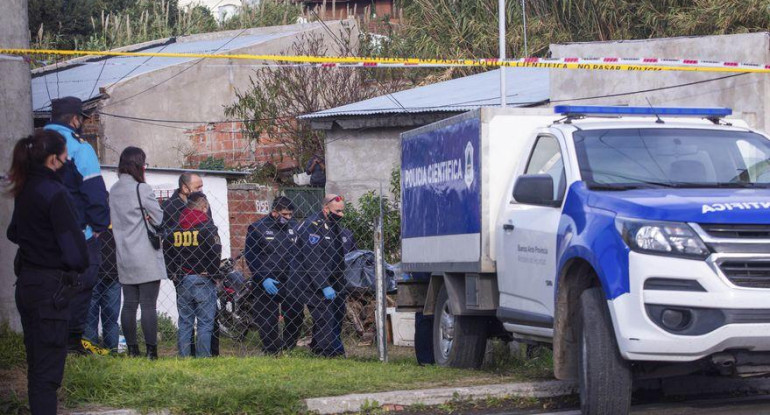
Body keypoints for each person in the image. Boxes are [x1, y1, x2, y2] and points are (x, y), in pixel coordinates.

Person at [6, 130, 89, 415]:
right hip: (50, 290)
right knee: (47, 373)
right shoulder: (55, 194)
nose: (69, 164)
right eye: (67, 158)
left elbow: (13, 232)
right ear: (53, 160)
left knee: (37, 366)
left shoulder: (25, 188)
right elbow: (75, 252)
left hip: (27, 285)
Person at [44, 96, 110, 355]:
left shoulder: (31, 145)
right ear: (74, 119)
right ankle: (71, 343)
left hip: (40, 233)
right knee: (82, 281)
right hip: (77, 233)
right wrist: (99, 225)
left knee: (47, 285)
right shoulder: (79, 146)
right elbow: (94, 190)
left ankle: (47, 340)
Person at [109, 147, 166, 359]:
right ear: (138, 165)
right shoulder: (141, 189)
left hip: (124, 255)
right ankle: (152, 352)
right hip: (145, 256)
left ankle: (133, 350)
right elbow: (159, 218)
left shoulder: (114, 190)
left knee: (129, 304)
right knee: (148, 305)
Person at [160, 172, 214, 356]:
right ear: (185, 187)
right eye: (198, 187)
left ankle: (202, 355)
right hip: (183, 273)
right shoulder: (169, 207)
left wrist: (212, 272)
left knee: (192, 319)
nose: (201, 190)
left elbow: (210, 240)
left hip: (200, 272)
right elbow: (166, 243)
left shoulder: (202, 202)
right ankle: (197, 357)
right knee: (197, 320)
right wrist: (173, 273)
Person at [244, 196, 304, 354]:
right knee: (267, 318)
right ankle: (271, 349)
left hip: (290, 279)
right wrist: (263, 278)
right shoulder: (257, 228)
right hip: (266, 280)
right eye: (285, 214)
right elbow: (251, 256)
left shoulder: (294, 227)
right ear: (275, 212)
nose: (288, 218)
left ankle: (288, 346)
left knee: (295, 313)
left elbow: (300, 252)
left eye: (291, 214)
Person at [292, 194, 347, 357]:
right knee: (325, 317)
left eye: (342, 211)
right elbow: (312, 259)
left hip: (330, 278)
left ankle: (320, 347)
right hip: (310, 281)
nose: (341, 215)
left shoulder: (331, 224)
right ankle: (325, 353)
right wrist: (323, 285)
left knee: (334, 314)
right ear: (325, 209)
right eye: (337, 211)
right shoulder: (313, 226)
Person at [170, 192, 222, 357]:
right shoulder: (207, 227)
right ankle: (203, 359)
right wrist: (214, 274)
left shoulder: (176, 228)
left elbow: (167, 252)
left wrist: (174, 274)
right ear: (203, 206)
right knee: (205, 323)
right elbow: (215, 252)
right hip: (203, 278)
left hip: (182, 280)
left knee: (185, 322)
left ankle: (185, 358)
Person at [83, 225, 120, 354]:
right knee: (111, 318)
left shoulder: (88, 215)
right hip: (113, 270)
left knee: (90, 317)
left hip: (93, 270)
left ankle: (91, 351)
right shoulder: (117, 214)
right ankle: (112, 351)